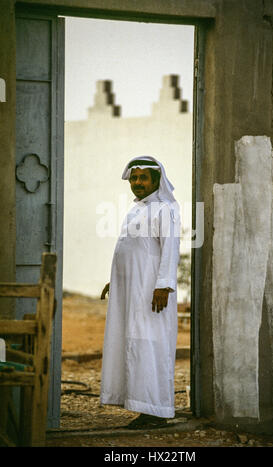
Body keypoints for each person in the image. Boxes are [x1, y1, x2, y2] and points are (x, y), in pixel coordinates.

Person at [100, 155, 180, 428]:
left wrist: (164, 285)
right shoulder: (136, 209)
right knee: (133, 341)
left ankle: (156, 410)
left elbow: (169, 248)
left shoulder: (165, 208)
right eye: (134, 178)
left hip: (152, 292)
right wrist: (116, 281)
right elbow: (134, 250)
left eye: (143, 178)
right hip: (131, 289)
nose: (137, 183)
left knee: (150, 343)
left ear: (156, 180)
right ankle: (140, 404)